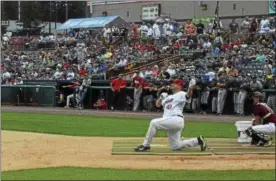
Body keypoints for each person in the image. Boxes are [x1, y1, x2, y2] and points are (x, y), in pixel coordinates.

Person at [134, 78, 207, 152]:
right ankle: (198, 140)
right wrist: (161, 98)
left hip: (176, 119)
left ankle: (146, 145)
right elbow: (157, 105)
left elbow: (188, 95)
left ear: (179, 86)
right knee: (176, 146)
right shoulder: (168, 97)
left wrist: (190, 87)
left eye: (175, 83)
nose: (172, 84)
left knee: (154, 123)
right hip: (170, 121)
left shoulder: (181, 93)